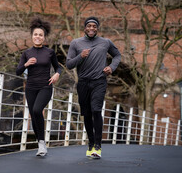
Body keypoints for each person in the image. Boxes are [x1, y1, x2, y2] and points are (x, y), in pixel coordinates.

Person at [66, 16, 121, 159]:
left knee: (96, 110)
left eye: (94, 26)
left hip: (99, 81)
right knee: (87, 113)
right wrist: (81, 56)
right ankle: (90, 144)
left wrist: (111, 67)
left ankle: (98, 145)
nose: (91, 28)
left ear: (97, 28)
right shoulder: (76, 43)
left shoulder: (106, 42)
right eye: (89, 26)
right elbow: (69, 64)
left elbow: (117, 55)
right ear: (85, 27)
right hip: (83, 82)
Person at [16, 17, 61, 157]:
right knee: (34, 114)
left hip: (45, 86)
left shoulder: (49, 52)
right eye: (35, 34)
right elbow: (18, 71)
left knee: (37, 110)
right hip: (30, 87)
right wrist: (26, 64)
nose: (38, 37)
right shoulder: (26, 53)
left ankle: (41, 143)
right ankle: (41, 143)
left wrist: (57, 75)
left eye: (40, 35)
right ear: (32, 36)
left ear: (44, 37)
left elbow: (58, 67)